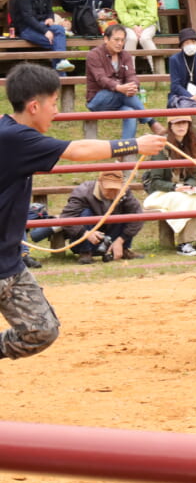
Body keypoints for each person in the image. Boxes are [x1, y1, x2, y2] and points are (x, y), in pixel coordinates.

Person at [1, 62, 165, 359]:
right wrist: (134, 144)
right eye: (53, 104)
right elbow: (77, 151)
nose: (57, 111)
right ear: (35, 106)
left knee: (42, 330)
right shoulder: (13, 138)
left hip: (8, 261)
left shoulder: (15, 135)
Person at [85, 24, 167, 139]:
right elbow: (101, 79)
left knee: (130, 112)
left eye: (122, 40)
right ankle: (152, 122)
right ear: (106, 39)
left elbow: (132, 75)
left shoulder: (125, 55)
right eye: (116, 40)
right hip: (97, 100)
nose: (119, 43)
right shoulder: (94, 55)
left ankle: (126, 151)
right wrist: (119, 88)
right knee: (122, 93)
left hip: (120, 99)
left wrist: (133, 86)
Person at [143, 115, 196, 256]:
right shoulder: (162, 149)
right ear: (170, 126)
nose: (181, 126)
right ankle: (186, 242)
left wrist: (188, 186)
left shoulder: (191, 145)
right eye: (177, 123)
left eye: (184, 123)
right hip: (163, 191)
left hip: (184, 190)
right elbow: (155, 181)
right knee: (184, 200)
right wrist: (175, 187)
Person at [61, 170, 145, 264]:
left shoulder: (125, 192)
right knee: (85, 213)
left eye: (115, 189)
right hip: (86, 235)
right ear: (99, 182)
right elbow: (66, 217)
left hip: (112, 232)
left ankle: (122, 248)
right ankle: (85, 252)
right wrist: (85, 233)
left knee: (126, 214)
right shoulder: (83, 191)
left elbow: (138, 216)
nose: (112, 192)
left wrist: (121, 239)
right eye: (108, 188)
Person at [10, 0, 74, 73]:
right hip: (26, 28)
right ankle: (61, 75)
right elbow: (27, 17)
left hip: (42, 26)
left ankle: (61, 66)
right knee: (57, 43)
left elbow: (50, 11)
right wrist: (45, 31)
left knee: (59, 30)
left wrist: (50, 19)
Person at [113, 0, 159, 74]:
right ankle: (129, 72)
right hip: (128, 25)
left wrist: (142, 26)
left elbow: (152, 11)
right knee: (131, 38)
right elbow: (121, 12)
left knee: (144, 38)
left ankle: (158, 70)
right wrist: (133, 26)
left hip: (148, 24)